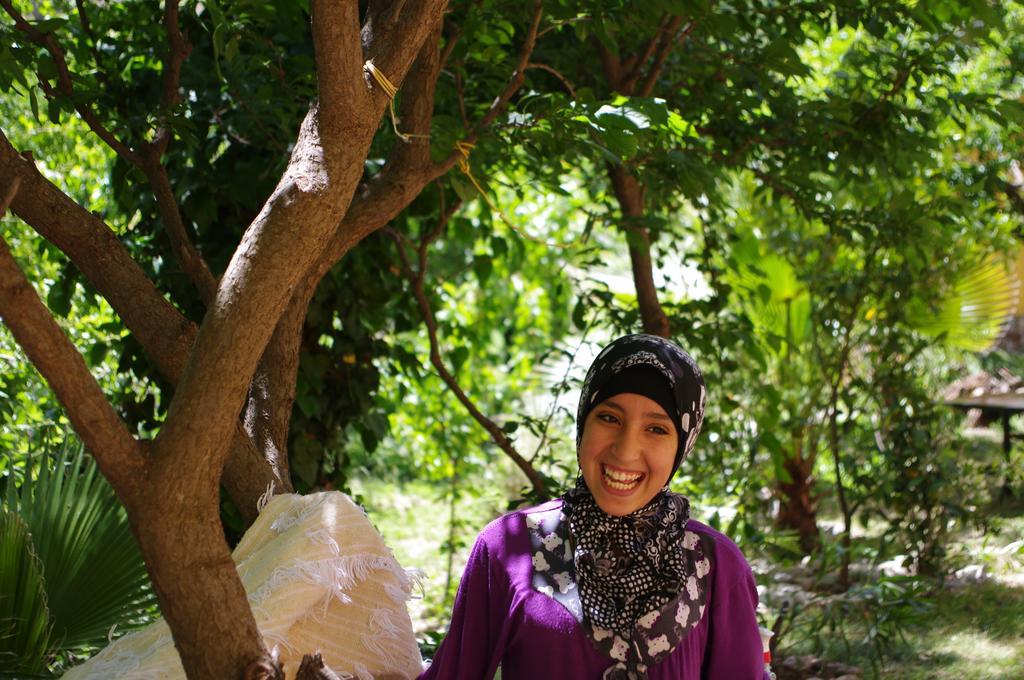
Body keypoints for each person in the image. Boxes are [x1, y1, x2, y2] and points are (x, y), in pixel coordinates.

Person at [419, 334, 768, 679]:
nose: (626, 450)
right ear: (583, 423)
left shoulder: (714, 564)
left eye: (656, 429)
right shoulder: (509, 547)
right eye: (610, 418)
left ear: (682, 446)